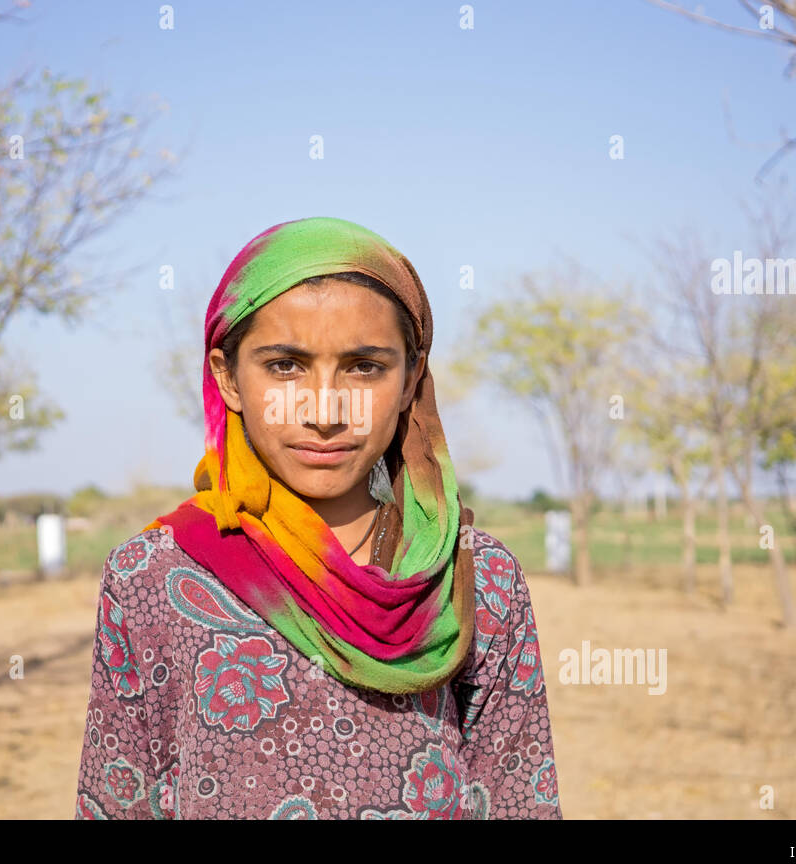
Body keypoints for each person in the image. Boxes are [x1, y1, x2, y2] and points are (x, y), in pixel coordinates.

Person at [74, 216, 561, 819]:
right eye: (285, 366)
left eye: (364, 367)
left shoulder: (475, 577)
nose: (325, 411)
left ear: (411, 379)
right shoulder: (152, 577)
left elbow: (518, 802)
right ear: (227, 377)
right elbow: (119, 802)